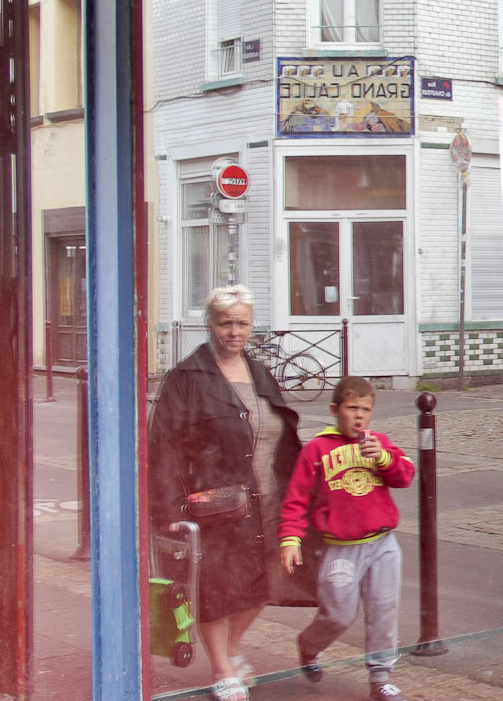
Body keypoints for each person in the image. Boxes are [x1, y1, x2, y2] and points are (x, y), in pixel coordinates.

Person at [149, 285, 319, 701]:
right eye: (225, 323)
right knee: (218, 589)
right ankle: (223, 670)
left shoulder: (259, 371)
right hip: (218, 502)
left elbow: (281, 434)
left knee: (265, 582)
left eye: (241, 323)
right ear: (209, 325)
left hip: (271, 496)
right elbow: (163, 446)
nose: (233, 331)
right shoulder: (187, 378)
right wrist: (169, 508)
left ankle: (231, 648)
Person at [280, 376, 416, 701]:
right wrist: (290, 539)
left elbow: (406, 475)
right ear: (334, 410)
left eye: (366, 410)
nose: (359, 416)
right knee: (339, 613)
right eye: (351, 408)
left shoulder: (379, 442)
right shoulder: (316, 450)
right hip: (340, 548)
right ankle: (309, 645)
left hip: (383, 544)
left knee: (383, 609)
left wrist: (384, 458)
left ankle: (381, 678)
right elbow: (296, 498)